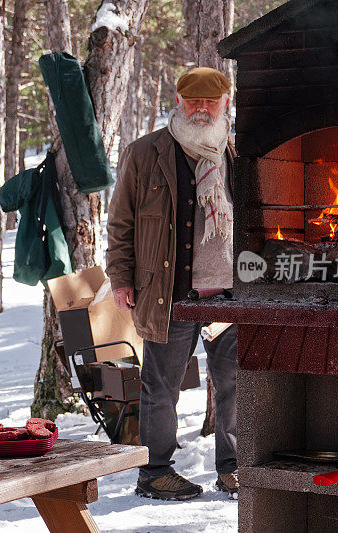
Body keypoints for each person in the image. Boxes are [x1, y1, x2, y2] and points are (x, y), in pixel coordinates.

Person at [106, 67, 238, 500]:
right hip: (170, 294)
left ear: (225, 104)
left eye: (210, 101)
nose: (201, 108)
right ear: (178, 101)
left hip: (229, 293)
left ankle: (233, 467)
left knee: (233, 383)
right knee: (160, 388)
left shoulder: (237, 154)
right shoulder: (145, 153)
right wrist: (121, 277)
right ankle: (154, 471)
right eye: (193, 100)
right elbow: (121, 222)